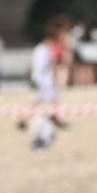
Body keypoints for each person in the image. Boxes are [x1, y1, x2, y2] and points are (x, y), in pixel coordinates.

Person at [24, 19, 67, 150]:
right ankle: (52, 118)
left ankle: (27, 119)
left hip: (39, 79)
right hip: (44, 80)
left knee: (39, 101)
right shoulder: (46, 49)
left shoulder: (39, 48)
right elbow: (49, 65)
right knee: (47, 101)